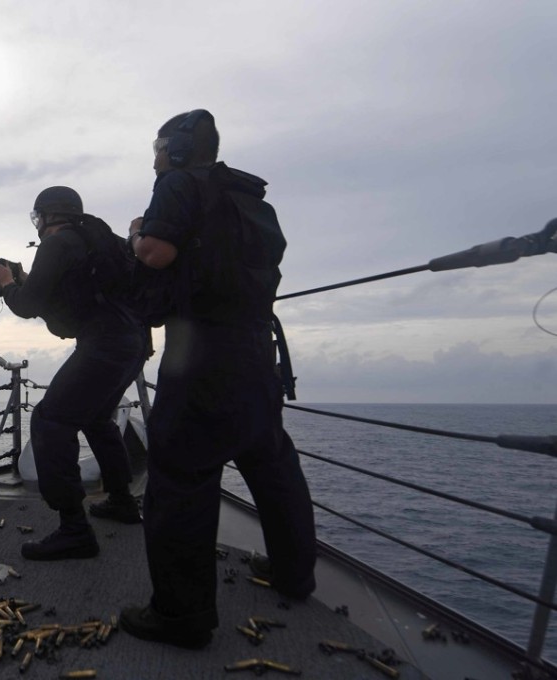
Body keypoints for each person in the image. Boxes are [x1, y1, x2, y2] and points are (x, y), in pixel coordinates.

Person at [119, 110, 317, 649]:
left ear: (178, 150)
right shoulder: (250, 198)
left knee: (181, 478)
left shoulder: (177, 184)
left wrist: (138, 236)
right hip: (256, 351)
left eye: (159, 146)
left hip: (200, 353)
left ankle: (181, 617)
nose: (154, 156)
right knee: (270, 460)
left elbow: (157, 254)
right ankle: (295, 575)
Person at [0, 186, 149, 561]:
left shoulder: (57, 243)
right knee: (97, 420)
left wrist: (6, 285)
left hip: (105, 343)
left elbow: (29, 305)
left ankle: (74, 529)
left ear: (45, 216)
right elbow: (69, 292)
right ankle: (122, 502)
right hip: (133, 342)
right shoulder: (97, 240)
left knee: (50, 421)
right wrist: (26, 279)